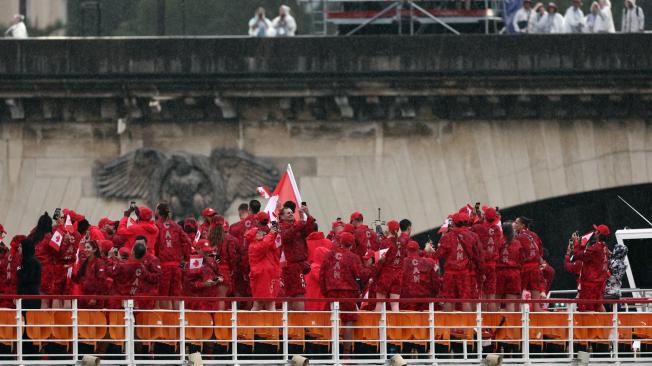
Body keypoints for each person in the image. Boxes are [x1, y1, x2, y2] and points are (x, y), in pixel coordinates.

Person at [319, 231, 370, 355]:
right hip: (348, 293)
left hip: (331, 292)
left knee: (333, 320)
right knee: (348, 321)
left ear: (340, 242)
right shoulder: (353, 257)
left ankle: (332, 352)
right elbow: (361, 275)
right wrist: (373, 267)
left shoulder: (329, 255)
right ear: (351, 245)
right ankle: (346, 354)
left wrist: (325, 291)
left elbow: (322, 274)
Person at [432, 213, 481, 312]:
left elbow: (438, 254)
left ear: (453, 223)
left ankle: (448, 326)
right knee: (465, 300)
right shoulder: (473, 236)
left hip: (450, 273)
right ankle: (468, 326)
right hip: (465, 273)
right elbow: (478, 255)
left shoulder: (447, 237)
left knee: (449, 300)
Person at [154, 202, 191, 309]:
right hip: (177, 265)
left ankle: (167, 321)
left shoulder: (156, 226)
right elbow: (187, 242)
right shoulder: (176, 226)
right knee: (176, 294)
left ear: (158, 212)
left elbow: (154, 244)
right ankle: (177, 320)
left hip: (163, 265)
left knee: (163, 295)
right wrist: (185, 258)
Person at [279, 203, 315, 311]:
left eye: (291, 212)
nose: (291, 214)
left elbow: (309, 230)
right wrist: (299, 223)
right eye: (288, 213)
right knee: (299, 295)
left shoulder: (297, 226)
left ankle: (289, 325)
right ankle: (301, 325)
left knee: (292, 295)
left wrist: (307, 215)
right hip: (292, 266)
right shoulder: (281, 227)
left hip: (296, 266)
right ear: (281, 217)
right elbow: (286, 236)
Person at [574, 225, 611, 312]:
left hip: (591, 284)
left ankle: (591, 325)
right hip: (600, 283)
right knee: (598, 305)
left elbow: (578, 256)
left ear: (598, 234)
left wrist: (577, 244)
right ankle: (607, 325)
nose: (594, 232)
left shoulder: (596, 248)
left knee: (586, 309)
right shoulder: (605, 247)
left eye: (596, 231)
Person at [471, 207, 501, 311]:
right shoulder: (497, 230)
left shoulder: (478, 228)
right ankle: (491, 322)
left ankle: (482, 322)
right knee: (491, 295)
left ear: (485, 216)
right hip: (493, 264)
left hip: (481, 264)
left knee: (482, 293)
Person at [514, 217, 545, 311]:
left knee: (517, 297)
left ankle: (519, 322)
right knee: (536, 300)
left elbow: (517, 254)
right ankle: (537, 324)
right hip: (535, 268)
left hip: (525, 268)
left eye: (516, 223)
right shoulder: (534, 235)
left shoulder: (519, 237)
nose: (515, 225)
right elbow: (540, 252)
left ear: (522, 225)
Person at [400, 241, 441, 311]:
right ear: (418, 250)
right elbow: (436, 282)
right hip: (426, 301)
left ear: (406, 250)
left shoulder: (401, 263)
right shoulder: (430, 262)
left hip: (407, 302)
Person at [247, 228, 282, 311]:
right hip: (261, 278)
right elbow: (264, 245)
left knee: (267, 302)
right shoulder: (254, 246)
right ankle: (265, 322)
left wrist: (274, 234)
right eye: (257, 233)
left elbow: (270, 244)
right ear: (253, 236)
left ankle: (267, 322)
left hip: (267, 277)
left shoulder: (261, 243)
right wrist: (271, 234)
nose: (262, 233)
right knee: (260, 303)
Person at [374, 220, 402, 312]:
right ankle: (395, 325)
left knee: (380, 302)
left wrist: (374, 275)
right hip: (398, 274)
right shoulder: (401, 244)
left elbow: (380, 261)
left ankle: (378, 325)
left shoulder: (385, 243)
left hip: (386, 273)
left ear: (389, 229)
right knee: (395, 304)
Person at [496, 222, 522, 312]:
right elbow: (522, 258)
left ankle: (494, 324)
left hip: (499, 272)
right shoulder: (517, 243)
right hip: (514, 273)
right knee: (510, 303)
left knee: (496, 301)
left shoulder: (498, 242)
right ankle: (510, 325)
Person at [73, 240, 107, 309]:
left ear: (94, 250)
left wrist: (95, 297)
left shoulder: (99, 262)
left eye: (88, 247)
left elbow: (101, 281)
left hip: (95, 299)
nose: (85, 250)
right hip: (84, 297)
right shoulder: (85, 261)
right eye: (85, 247)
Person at [17, 238, 41, 310]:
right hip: (25, 296)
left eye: (20, 246)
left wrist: (19, 271)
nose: (18, 248)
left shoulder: (32, 261)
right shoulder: (25, 260)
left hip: (30, 297)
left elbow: (28, 278)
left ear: (25, 247)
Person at [305, 246, 330, 311]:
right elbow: (326, 281)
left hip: (313, 300)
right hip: (317, 302)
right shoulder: (316, 268)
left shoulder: (313, 267)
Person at [604, 242, 628, 306]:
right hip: (615, 291)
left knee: (607, 314)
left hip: (609, 292)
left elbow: (608, 265)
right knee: (616, 313)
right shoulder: (623, 263)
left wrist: (605, 253)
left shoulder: (618, 263)